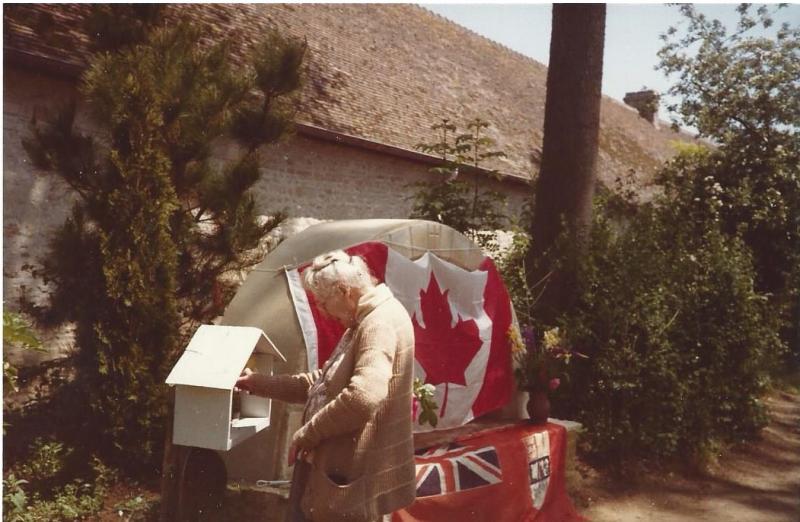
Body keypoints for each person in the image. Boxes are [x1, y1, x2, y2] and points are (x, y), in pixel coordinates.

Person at [236, 250, 416, 522]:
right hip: (343, 472)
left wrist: (307, 434)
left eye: (322, 302)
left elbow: (364, 397)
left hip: (347, 480)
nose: (322, 310)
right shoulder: (367, 316)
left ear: (344, 291)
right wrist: (259, 383)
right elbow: (325, 382)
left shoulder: (377, 324)